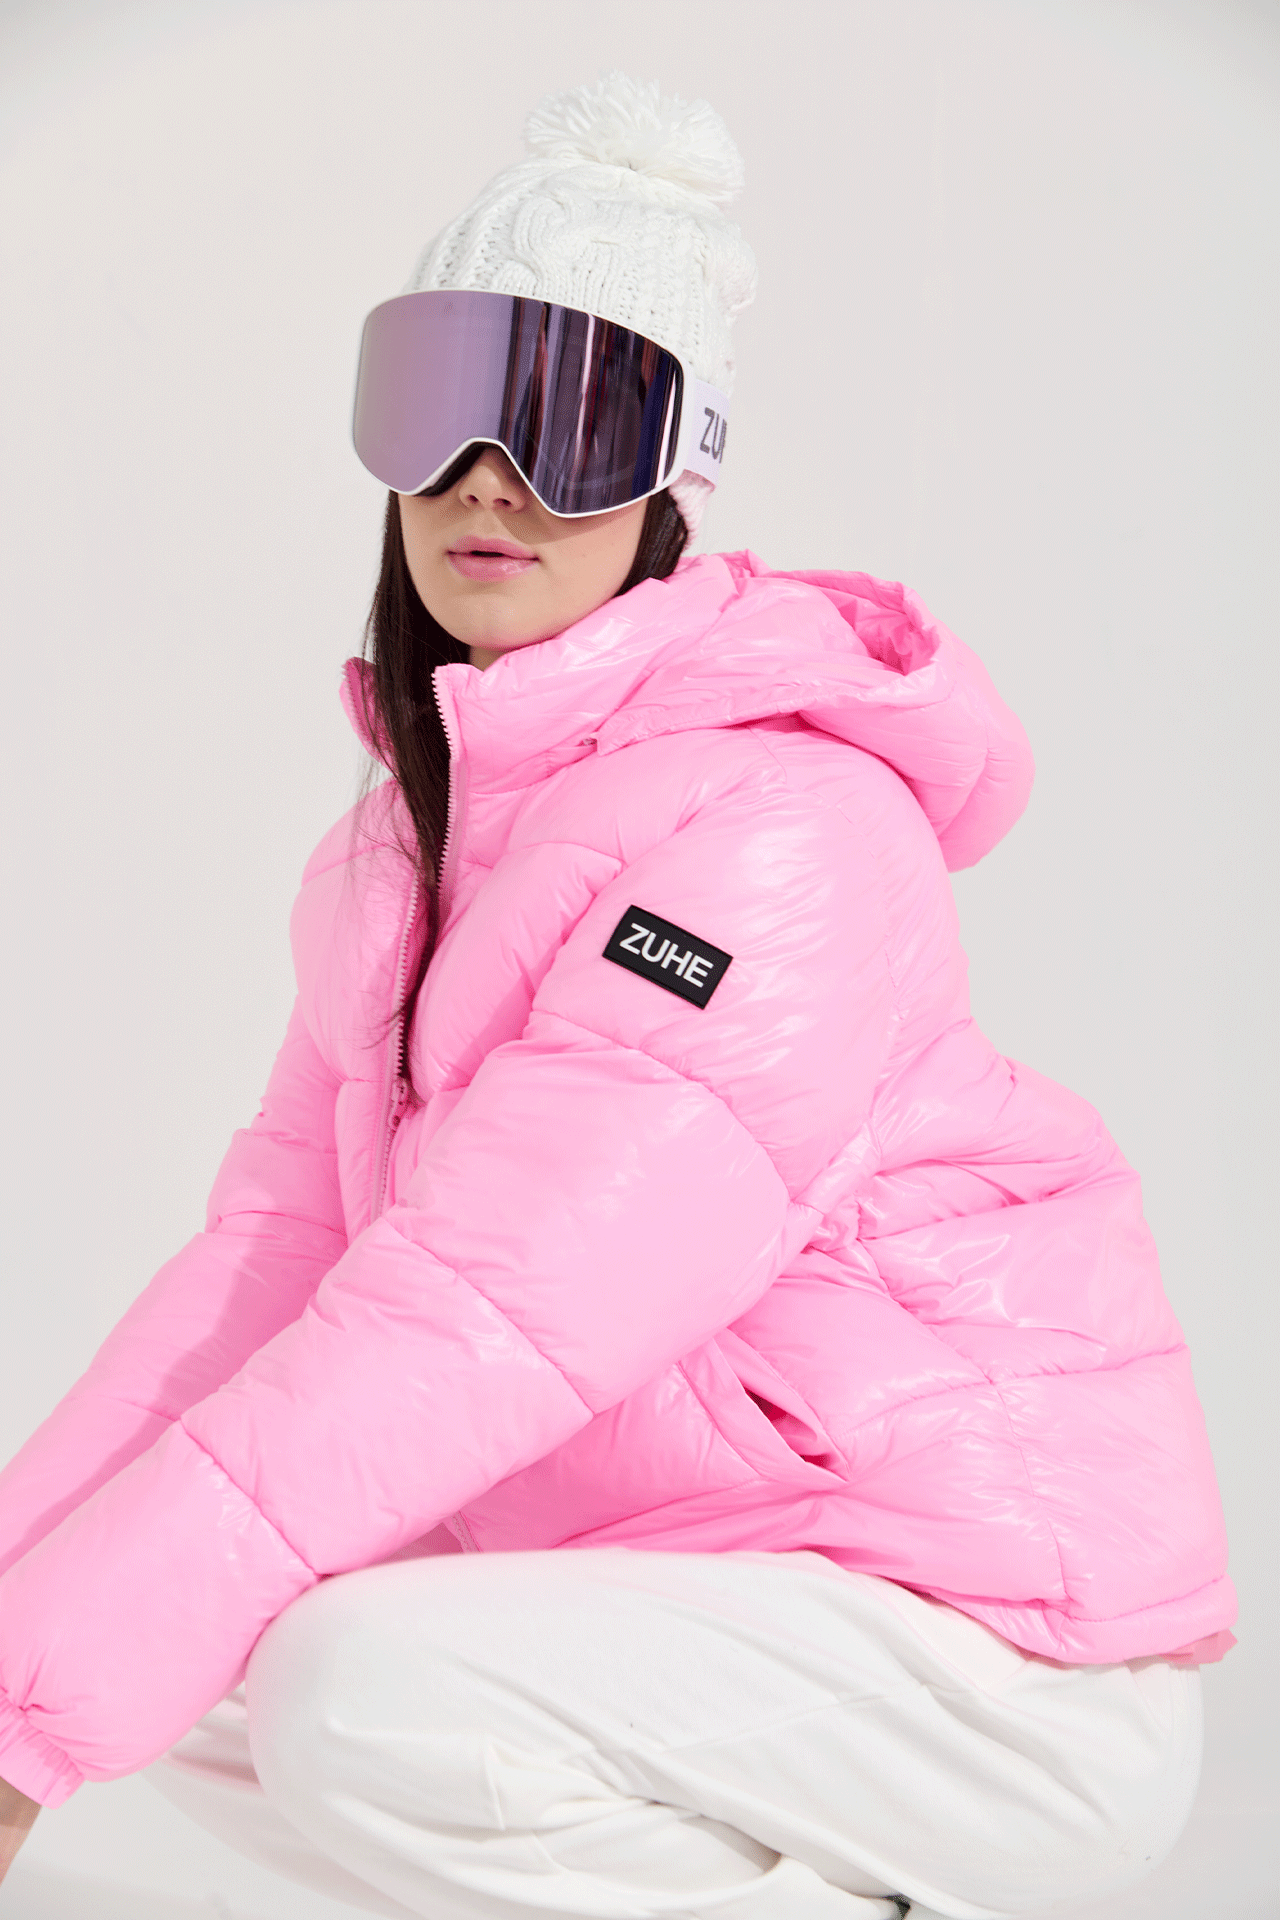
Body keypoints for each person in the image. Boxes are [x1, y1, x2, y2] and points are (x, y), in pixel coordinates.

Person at [0, 72, 1234, 1920]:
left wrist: (23, 1741)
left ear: (677, 469)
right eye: (436, 400)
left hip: (985, 1652)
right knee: (162, 1638)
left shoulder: (783, 832)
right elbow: (261, 1278)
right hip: (714, 1604)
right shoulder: (400, 858)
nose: (487, 478)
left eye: (574, 415)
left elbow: (477, 1307)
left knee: (339, 1681)